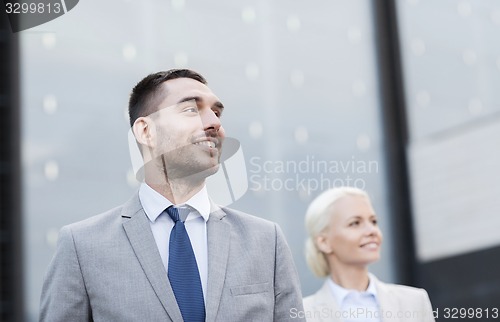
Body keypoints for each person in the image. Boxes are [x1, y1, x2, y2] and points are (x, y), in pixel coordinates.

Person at [40, 69, 305, 322]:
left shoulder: (266, 241)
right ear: (146, 131)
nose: (214, 123)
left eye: (216, 112)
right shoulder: (82, 247)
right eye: (191, 109)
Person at [302, 187, 435, 322]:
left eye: (373, 221)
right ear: (324, 242)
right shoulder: (301, 314)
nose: (372, 230)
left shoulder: (414, 302)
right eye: (355, 223)